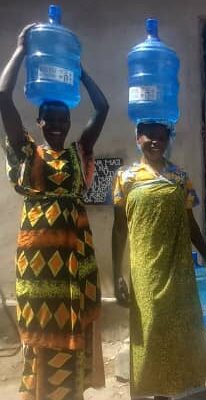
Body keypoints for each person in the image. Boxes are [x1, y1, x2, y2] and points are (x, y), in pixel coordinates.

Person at [0, 24, 109, 400]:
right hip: (37, 262)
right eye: (52, 120)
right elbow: (2, 96)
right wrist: (19, 51)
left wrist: (79, 72)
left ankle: (72, 392)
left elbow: (104, 107)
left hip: (74, 261)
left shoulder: (79, 154)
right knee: (43, 329)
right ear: (40, 122)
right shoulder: (27, 152)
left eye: (65, 120)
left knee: (72, 326)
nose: (60, 126)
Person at [112, 122, 206, 399]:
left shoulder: (179, 176)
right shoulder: (126, 177)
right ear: (138, 139)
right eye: (149, 136)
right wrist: (116, 275)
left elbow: (190, 223)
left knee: (179, 326)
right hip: (145, 268)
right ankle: (152, 388)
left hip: (178, 267)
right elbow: (119, 228)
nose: (156, 141)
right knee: (151, 327)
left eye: (162, 136)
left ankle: (177, 388)